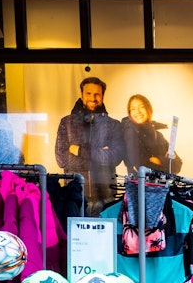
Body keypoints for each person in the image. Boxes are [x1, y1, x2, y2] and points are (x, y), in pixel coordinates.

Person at [54, 76, 124, 215]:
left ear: (103, 96)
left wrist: (78, 150)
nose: (93, 98)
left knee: (105, 235)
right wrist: (100, 153)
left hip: (106, 195)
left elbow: (115, 157)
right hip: (75, 194)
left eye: (97, 94)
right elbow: (61, 159)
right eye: (89, 93)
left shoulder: (114, 125)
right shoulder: (66, 123)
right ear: (81, 95)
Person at [121, 94, 181, 175]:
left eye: (141, 107)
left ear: (148, 109)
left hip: (161, 186)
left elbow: (177, 165)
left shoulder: (158, 135)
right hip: (140, 186)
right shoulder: (130, 134)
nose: (137, 112)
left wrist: (159, 160)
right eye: (133, 109)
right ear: (129, 113)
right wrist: (166, 163)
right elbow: (141, 167)